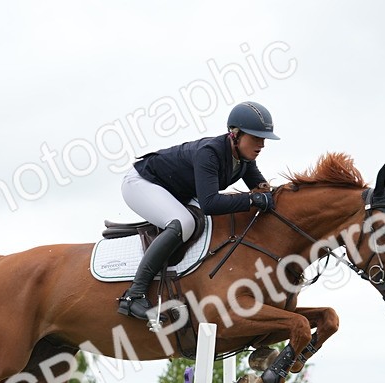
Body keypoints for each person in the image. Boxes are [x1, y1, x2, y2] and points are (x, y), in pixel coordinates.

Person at [118, 101, 279, 321]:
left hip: (174, 191)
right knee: (184, 223)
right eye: (256, 137)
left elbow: (263, 192)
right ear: (235, 134)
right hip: (141, 183)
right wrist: (253, 199)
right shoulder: (210, 153)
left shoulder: (244, 160)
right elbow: (211, 204)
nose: (262, 144)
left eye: (263, 139)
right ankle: (133, 295)